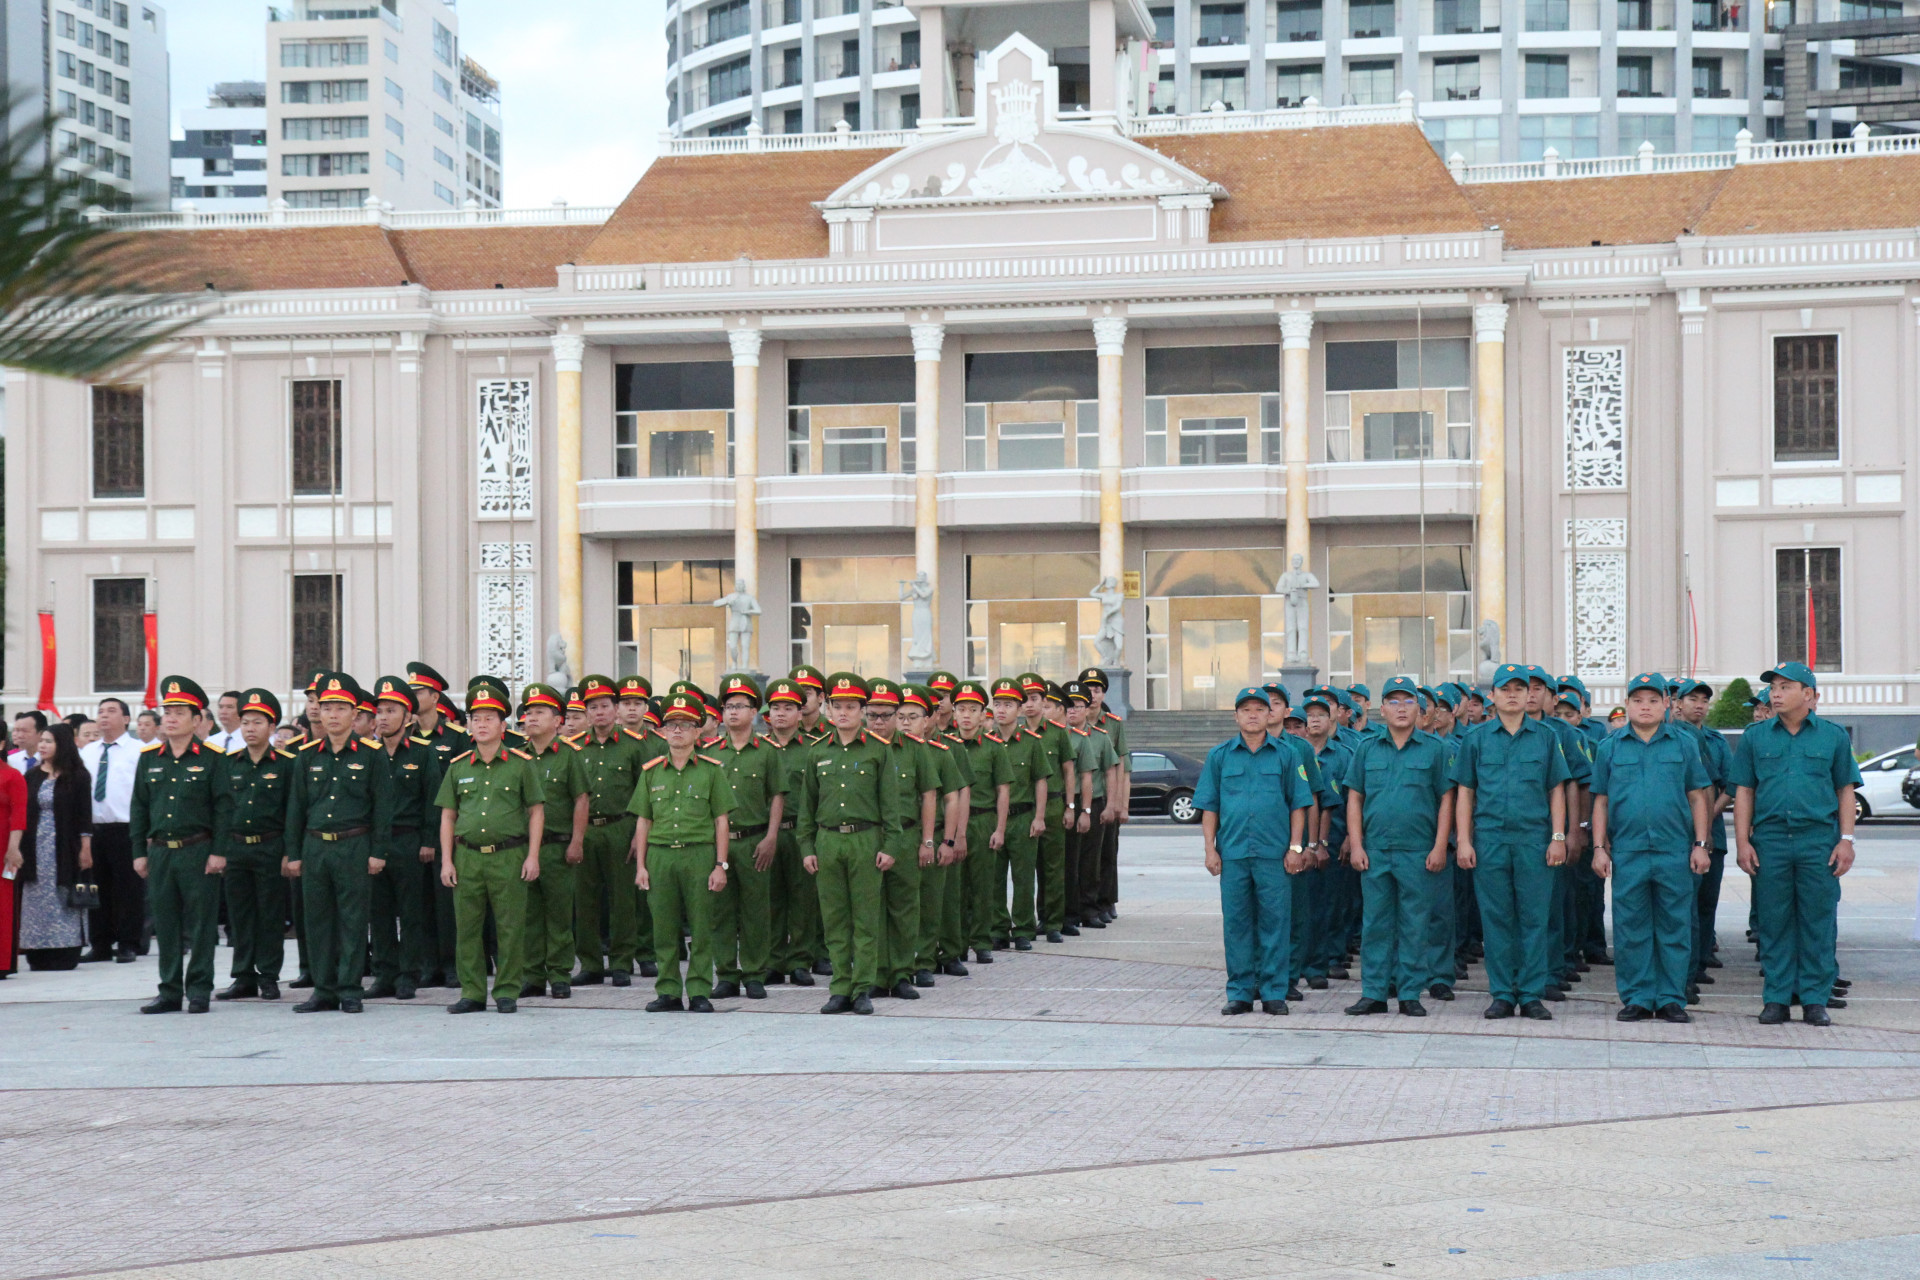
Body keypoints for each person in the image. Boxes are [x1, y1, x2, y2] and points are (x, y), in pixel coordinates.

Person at [1730, 661, 1860, 1027]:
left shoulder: (1833, 737)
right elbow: (1744, 792)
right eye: (1774, 686)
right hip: (1770, 840)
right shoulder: (1756, 737)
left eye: (1786, 686)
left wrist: (1846, 841)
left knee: (1818, 921)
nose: (1775, 693)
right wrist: (1742, 842)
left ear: (1810, 695)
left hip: (1817, 840)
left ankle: (1815, 1000)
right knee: (1774, 922)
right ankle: (1776, 998)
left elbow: (1845, 791)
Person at [1451, 663, 1573, 1021]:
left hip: (1534, 840)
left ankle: (1532, 994)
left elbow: (1556, 790)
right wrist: (1464, 841)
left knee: (1534, 919)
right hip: (1490, 841)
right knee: (1497, 920)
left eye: (1522, 689)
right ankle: (1503, 993)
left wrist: (1558, 837)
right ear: (1492, 696)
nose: (1515, 694)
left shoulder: (1546, 736)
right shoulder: (1476, 739)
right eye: (1506, 689)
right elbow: (1465, 793)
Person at [1589, 673, 1712, 1024]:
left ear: (1666, 705)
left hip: (1674, 850)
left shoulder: (1683, 743)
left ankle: (1672, 997)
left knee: (1675, 926)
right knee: (1631, 928)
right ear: (1627, 705)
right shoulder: (1610, 747)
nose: (1645, 707)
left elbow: (1697, 796)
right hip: (1628, 852)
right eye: (1638, 700)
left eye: (1653, 700)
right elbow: (1600, 801)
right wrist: (1599, 848)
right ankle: (1639, 997)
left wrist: (1701, 844)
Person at [1196, 686, 1315, 1016]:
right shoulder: (1220, 756)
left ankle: (1274, 991)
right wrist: (1210, 850)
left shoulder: (1286, 754)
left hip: (1274, 855)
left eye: (1259, 709)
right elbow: (1209, 807)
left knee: (1276, 923)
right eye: (1246, 709)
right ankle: (1240, 992)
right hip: (1233, 854)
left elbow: (1299, 804)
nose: (1253, 715)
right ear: (1236, 716)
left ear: (1270, 715)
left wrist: (1295, 847)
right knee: (1236, 924)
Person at [1343, 677, 1456, 1018]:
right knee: (1375, 923)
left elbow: (1446, 800)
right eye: (1394, 702)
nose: (1401, 708)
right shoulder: (1367, 748)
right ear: (1382, 709)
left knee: (1414, 924)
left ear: (1419, 710)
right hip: (1376, 849)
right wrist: (1357, 845)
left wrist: (1440, 846)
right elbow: (1355, 798)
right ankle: (1374, 993)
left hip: (1418, 850)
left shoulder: (1435, 749)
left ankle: (1409, 993)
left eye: (1408, 702)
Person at [793, 672, 905, 1014]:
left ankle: (862, 990)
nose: (844, 712)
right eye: (837, 706)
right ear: (828, 709)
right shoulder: (816, 753)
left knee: (866, 919)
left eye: (851, 706)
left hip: (866, 840)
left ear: (862, 711)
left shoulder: (878, 751)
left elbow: (890, 805)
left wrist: (891, 845)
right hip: (828, 841)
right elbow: (807, 806)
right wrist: (807, 847)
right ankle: (840, 986)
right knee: (835, 919)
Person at [287, 674, 395, 1014]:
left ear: (354, 713)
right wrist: (293, 854)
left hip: (354, 844)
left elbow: (382, 807)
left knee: (352, 919)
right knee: (317, 920)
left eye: (340, 708)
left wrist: (378, 852)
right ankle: (323, 988)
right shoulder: (306, 756)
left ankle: (350, 988)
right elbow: (296, 808)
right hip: (316, 846)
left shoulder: (371, 755)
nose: (332, 715)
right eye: (326, 707)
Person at [437, 679, 544, 1014]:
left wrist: (532, 856)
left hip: (508, 856)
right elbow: (448, 816)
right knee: (467, 927)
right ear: (468, 725)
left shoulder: (520, 763)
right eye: (476, 718)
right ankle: (472, 991)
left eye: (489, 718)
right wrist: (447, 861)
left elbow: (536, 811)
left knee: (510, 927)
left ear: (503, 725)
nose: (481, 724)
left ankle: (507, 990)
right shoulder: (458, 767)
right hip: (467, 857)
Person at [130, 677, 229, 1014]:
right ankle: (169, 990)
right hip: (160, 851)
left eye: (178, 712)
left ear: (197, 720)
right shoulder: (149, 758)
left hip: (197, 849)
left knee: (201, 924)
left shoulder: (213, 758)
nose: (170, 718)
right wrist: (139, 853)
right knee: (166, 923)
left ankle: (199, 988)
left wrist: (219, 851)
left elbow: (224, 808)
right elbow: (139, 808)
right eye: (167, 712)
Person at [631, 692, 732, 1012]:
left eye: (686, 725)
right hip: (661, 857)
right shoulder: (651, 772)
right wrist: (641, 866)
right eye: (672, 725)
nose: (677, 731)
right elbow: (643, 821)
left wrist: (720, 865)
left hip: (699, 856)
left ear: (698, 730)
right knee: (663, 928)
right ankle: (669, 991)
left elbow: (721, 821)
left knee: (702, 927)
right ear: (661, 731)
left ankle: (700, 990)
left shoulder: (712, 770)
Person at [570, 673, 654, 987]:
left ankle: (621, 963)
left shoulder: (634, 746)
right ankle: (590, 963)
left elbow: (645, 792)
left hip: (622, 827)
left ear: (615, 709)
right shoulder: (575, 747)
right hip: (586, 830)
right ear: (587, 712)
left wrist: (637, 836)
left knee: (623, 901)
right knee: (586, 900)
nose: (599, 713)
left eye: (605, 706)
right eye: (593, 708)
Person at [214, 690, 298, 1002]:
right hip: (236, 848)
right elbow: (221, 810)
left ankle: (269, 975)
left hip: (270, 848)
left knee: (270, 914)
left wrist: (290, 852)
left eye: (257, 722)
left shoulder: (287, 764)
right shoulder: (228, 764)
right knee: (240, 915)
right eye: (246, 722)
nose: (250, 728)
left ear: (271, 727)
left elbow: (292, 811)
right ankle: (243, 976)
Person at [707, 674, 785, 1001]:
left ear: (754, 712)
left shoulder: (767, 752)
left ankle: (754, 973)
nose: (734, 712)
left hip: (754, 841)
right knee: (720, 910)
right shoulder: (711, 752)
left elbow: (777, 796)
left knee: (756, 911)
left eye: (741, 706)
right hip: (719, 844)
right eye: (728, 706)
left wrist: (771, 838)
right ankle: (726, 974)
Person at [367, 676, 443, 1001]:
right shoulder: (368, 755)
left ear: (408, 716)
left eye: (391, 710)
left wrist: (429, 841)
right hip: (375, 844)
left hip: (410, 841)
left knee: (411, 912)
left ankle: (409, 974)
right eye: (379, 710)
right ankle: (384, 973)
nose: (383, 717)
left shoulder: (424, 754)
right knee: (379, 911)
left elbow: (433, 800)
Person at [865, 678, 939, 1000]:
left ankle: (902, 973)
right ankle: (876, 974)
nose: (879, 722)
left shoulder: (915, 749)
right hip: (869, 838)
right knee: (871, 909)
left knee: (905, 908)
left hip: (907, 837)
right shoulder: (856, 749)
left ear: (898, 715)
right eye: (873, 715)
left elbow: (928, 796)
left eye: (886, 715)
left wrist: (927, 841)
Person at [518, 682, 588, 1000]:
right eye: (528, 712)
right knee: (528, 913)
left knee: (559, 913)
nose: (531, 718)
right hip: (523, 848)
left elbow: (581, 800)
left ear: (557, 719)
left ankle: (559, 974)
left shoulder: (569, 756)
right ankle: (532, 974)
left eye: (539, 712)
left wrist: (576, 841)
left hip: (558, 846)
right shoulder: (517, 757)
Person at [900, 683, 967, 986]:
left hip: (933, 834)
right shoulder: (888, 753)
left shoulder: (941, 753)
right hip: (899, 836)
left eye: (913, 717)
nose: (905, 723)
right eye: (900, 716)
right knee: (901, 904)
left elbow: (952, 798)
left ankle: (924, 961)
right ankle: (899, 959)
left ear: (928, 720)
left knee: (930, 902)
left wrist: (949, 840)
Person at [408, 661, 468, 988]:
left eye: (419, 692)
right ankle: (427, 964)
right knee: (419, 905)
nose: (413, 698)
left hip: (448, 832)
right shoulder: (407, 737)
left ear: (434, 696)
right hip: (414, 832)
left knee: (447, 905)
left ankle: (452, 965)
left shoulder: (457, 739)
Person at [13, 722, 89, 970]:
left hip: (64, 845)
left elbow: (84, 815)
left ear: (62, 745)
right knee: (35, 897)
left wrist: (85, 847)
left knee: (63, 895)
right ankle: (37, 949)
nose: (43, 745)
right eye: (42, 740)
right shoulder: (32, 775)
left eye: (49, 741)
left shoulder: (77, 775)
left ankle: (65, 949)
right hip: (35, 845)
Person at [761, 677, 821, 986]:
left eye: (789, 708)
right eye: (776, 708)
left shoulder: (813, 749)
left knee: (803, 899)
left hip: (801, 832)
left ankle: (800, 960)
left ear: (800, 713)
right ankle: (773, 960)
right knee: (770, 899)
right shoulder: (758, 749)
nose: (781, 714)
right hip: (766, 835)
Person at [78, 697, 145, 965]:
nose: (104, 716)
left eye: (111, 711)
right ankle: (101, 943)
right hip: (94, 830)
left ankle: (129, 943)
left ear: (126, 719)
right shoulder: (88, 752)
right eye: (101, 712)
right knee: (98, 887)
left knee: (128, 888)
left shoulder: (140, 751)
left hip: (126, 828)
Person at [948, 680, 1008, 973]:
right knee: (955, 887)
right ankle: (956, 943)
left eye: (973, 710)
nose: (967, 716)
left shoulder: (994, 748)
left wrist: (999, 828)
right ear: (954, 714)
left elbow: (1003, 791)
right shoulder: (945, 746)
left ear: (984, 714)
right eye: (961, 709)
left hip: (983, 820)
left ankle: (981, 942)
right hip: (954, 822)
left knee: (984, 886)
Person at [987, 677, 1048, 952]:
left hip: (1023, 816)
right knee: (994, 877)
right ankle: (998, 928)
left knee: (1023, 877)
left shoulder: (1032, 742)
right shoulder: (986, 743)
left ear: (1020, 710)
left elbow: (1040, 780)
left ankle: (1023, 928)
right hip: (995, 819)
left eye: (1008, 705)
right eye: (997, 704)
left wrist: (1039, 816)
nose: (1001, 710)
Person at [1063, 682, 1118, 942]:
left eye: (1078, 707)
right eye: (1069, 706)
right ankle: (1068, 910)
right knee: (1066, 862)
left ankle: (1090, 908)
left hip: (1093, 803)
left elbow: (1111, 770)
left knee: (1091, 860)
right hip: (1064, 804)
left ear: (1087, 709)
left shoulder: (1100, 737)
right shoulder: (1058, 736)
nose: (1073, 711)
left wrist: (1111, 805)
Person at [10, 710, 46, 774]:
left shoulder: (51, 761)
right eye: (16, 730)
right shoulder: (11, 761)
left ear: (41, 733)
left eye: (24, 731)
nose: (19, 735)